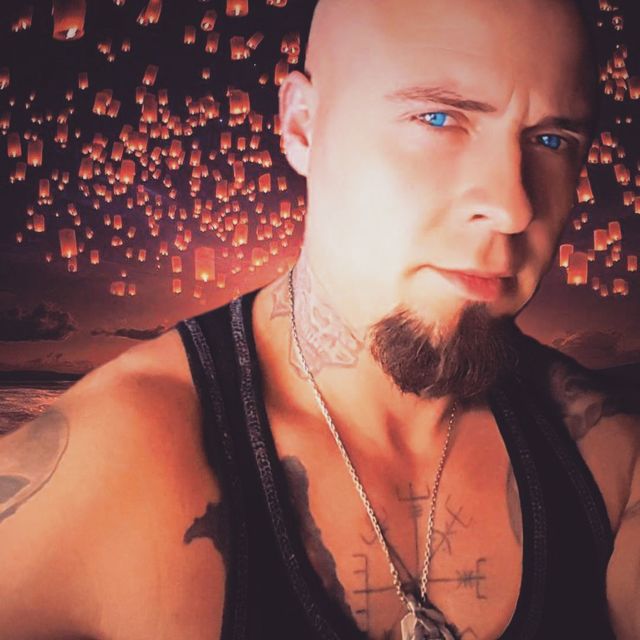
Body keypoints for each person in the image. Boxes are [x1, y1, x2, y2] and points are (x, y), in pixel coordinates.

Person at [1, 0, 638, 638]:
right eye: (439, 118)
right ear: (302, 126)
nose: (512, 207)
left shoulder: (609, 460)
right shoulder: (115, 464)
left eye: (552, 140)